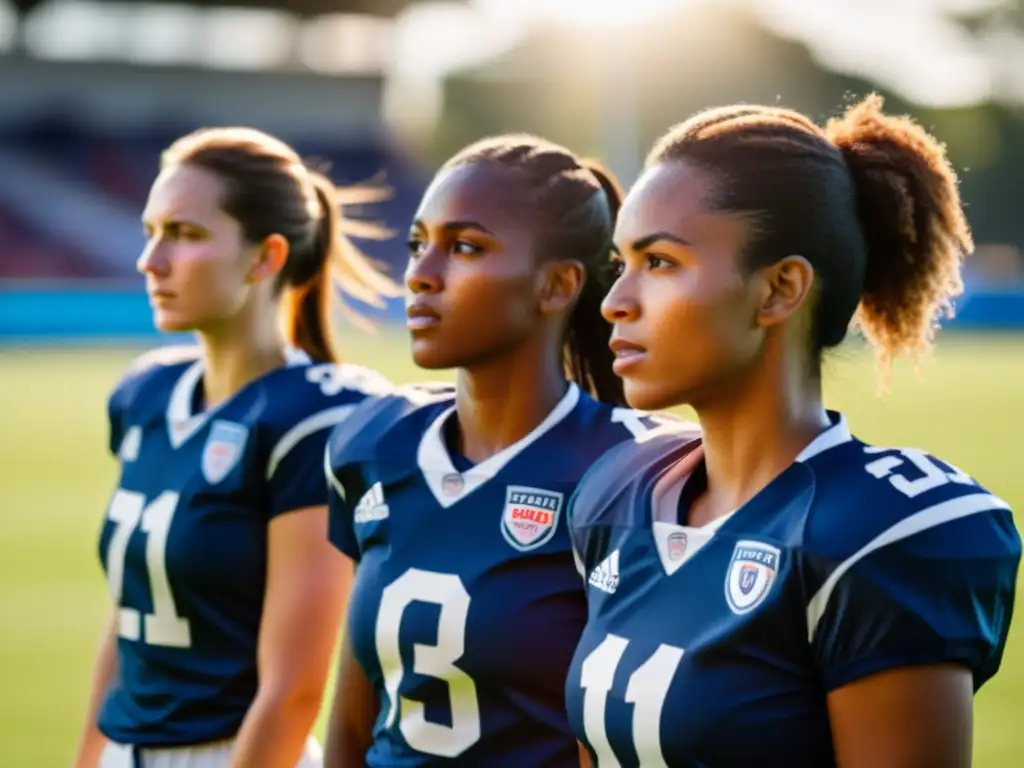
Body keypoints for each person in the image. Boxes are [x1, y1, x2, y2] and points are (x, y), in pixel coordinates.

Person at [565, 95, 1021, 767]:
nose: (614, 300)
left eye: (659, 262)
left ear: (779, 289)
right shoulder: (616, 496)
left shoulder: (876, 535)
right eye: (621, 262)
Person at [322, 134, 692, 767]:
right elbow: (357, 711)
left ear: (556, 287)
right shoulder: (377, 440)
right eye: (418, 245)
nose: (421, 274)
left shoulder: (634, 473)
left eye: (465, 248)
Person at [72, 127, 399, 768]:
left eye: (186, 234)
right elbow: (128, 616)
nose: (152, 259)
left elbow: (293, 691)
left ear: (266, 257)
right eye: (151, 229)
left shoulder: (312, 417)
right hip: (127, 752)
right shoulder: (145, 393)